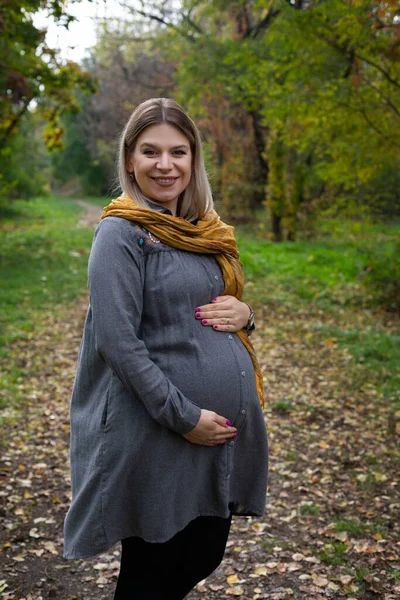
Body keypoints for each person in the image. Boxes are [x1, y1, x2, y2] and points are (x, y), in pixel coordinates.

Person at [63, 97, 268, 599]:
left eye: (178, 152)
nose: (165, 165)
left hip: (209, 432)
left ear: (193, 159)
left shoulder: (203, 232)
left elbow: (215, 306)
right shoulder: (121, 234)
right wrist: (184, 417)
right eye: (150, 152)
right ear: (130, 158)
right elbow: (118, 343)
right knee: (151, 569)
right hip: (157, 431)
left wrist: (247, 315)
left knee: (205, 551)